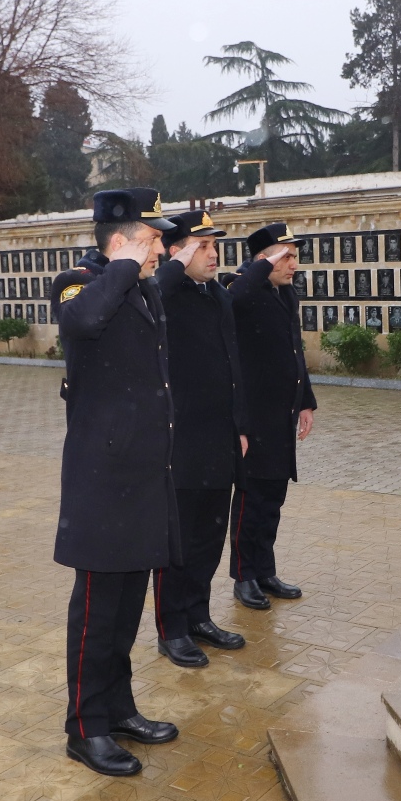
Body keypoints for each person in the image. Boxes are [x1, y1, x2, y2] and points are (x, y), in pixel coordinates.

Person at [55, 188, 180, 777]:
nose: (161, 250)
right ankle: (85, 728)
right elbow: (83, 321)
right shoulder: (77, 282)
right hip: (103, 479)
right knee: (97, 612)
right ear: (123, 241)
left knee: (129, 604)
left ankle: (119, 708)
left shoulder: (145, 287)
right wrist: (125, 265)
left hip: (143, 474)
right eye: (153, 239)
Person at [151, 210, 250, 669]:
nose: (214, 254)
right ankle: (171, 629)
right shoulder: (163, 294)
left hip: (218, 437)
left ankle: (198, 616)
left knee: (210, 536)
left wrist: (240, 425)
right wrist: (174, 265)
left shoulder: (217, 296)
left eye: (215, 246)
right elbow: (155, 289)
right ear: (177, 252)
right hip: (181, 441)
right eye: (203, 246)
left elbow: (234, 365)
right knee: (179, 542)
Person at [226, 221, 317, 610]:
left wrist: (306, 401)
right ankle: (244, 575)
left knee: (273, 498)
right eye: (286, 257)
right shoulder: (242, 288)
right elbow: (234, 299)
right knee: (251, 499)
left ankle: (265, 570)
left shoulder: (286, 294)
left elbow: (295, 351)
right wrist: (260, 267)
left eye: (295, 256)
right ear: (263, 259)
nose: (294, 264)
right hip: (253, 417)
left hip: (281, 415)